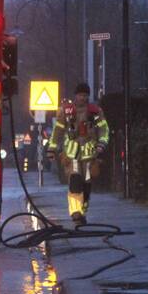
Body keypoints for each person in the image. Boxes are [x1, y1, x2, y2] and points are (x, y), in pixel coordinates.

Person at [47, 83, 110, 225]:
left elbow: (104, 129)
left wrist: (102, 143)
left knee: (86, 185)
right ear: (76, 96)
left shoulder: (95, 112)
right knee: (75, 183)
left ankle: (83, 209)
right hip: (71, 155)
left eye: (86, 95)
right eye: (81, 95)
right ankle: (75, 213)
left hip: (90, 155)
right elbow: (58, 131)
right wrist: (52, 149)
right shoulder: (66, 111)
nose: (84, 98)